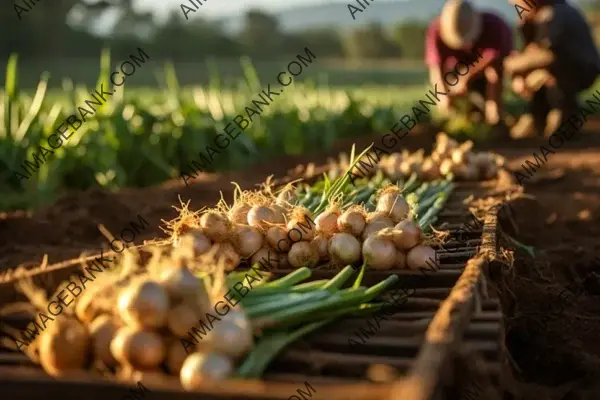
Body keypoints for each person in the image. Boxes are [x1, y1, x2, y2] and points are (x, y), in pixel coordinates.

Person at [506, 0, 600, 137]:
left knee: (547, 71)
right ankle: (538, 117)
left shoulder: (556, 13)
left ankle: (564, 116)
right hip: (567, 68)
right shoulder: (541, 16)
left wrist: (513, 66)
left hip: (580, 69)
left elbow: (548, 55)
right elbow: (533, 50)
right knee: (541, 73)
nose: (519, 10)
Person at [425, 0, 513, 126]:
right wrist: (443, 95)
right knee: (446, 97)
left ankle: (495, 120)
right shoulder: (435, 30)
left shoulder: (495, 26)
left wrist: (468, 76)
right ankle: (465, 113)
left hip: (485, 73)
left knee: (492, 73)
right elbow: (435, 68)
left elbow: (494, 62)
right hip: (454, 72)